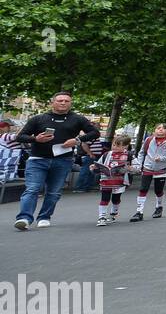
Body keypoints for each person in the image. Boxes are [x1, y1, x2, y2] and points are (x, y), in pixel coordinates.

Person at [13, 91, 101, 230]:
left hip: (63, 160)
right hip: (38, 159)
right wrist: (35, 139)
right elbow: (20, 137)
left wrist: (77, 140)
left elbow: (95, 133)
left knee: (53, 192)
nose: (63, 103)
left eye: (66, 101)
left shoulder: (77, 119)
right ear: (53, 102)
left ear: (70, 103)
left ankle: (44, 217)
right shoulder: (39, 118)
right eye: (60, 100)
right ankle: (24, 218)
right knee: (32, 189)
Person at [130, 123, 166, 221]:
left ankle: (159, 207)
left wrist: (162, 158)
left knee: (158, 190)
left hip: (161, 169)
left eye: (163, 128)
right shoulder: (148, 140)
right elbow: (142, 153)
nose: (160, 130)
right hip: (147, 168)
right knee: (143, 189)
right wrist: (139, 164)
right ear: (155, 130)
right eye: (158, 128)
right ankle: (139, 212)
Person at [91, 134, 133, 225]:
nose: (114, 147)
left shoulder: (129, 155)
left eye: (118, 145)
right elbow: (99, 164)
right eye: (113, 145)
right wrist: (94, 167)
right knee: (104, 198)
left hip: (120, 181)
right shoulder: (107, 154)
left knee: (115, 199)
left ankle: (114, 213)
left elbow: (137, 167)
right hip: (106, 180)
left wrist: (131, 168)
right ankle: (102, 217)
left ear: (125, 146)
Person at [74, 127, 107, 192]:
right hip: (89, 157)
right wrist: (90, 154)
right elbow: (84, 144)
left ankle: (87, 187)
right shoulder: (89, 136)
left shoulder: (92, 137)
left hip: (92, 156)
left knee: (91, 172)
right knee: (85, 171)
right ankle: (80, 187)